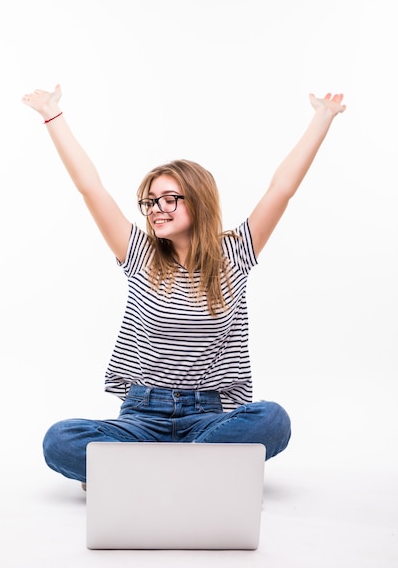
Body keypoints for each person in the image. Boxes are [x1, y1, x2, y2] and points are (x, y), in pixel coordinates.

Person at [22, 85, 346, 485]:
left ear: (199, 201)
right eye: (150, 201)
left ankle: (140, 477)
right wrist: (52, 116)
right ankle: (197, 475)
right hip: (142, 418)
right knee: (61, 439)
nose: (157, 209)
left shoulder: (236, 253)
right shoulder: (138, 253)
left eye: (169, 198)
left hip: (210, 419)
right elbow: (91, 188)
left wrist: (322, 117)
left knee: (273, 419)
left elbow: (282, 188)